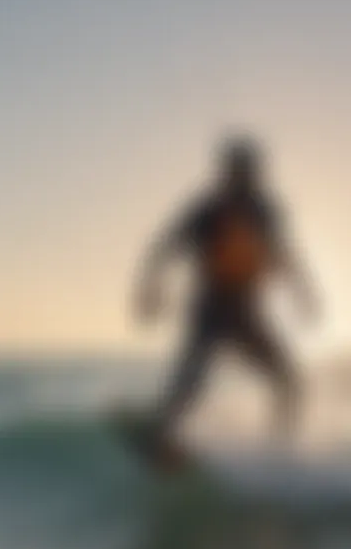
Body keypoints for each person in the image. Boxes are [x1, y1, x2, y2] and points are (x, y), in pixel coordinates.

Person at [133, 133, 321, 458]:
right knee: (190, 383)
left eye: (247, 170)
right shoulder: (207, 210)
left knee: (290, 383)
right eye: (235, 170)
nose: (241, 177)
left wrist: (304, 292)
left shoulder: (265, 211)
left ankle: (280, 451)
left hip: (246, 312)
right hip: (210, 310)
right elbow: (164, 247)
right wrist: (150, 289)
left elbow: (284, 253)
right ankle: (158, 434)